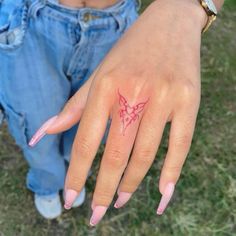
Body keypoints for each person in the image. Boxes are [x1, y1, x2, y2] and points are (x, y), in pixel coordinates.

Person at [0, 0, 224, 225]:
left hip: (117, 28)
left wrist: (185, 8)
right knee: (36, 130)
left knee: (91, 127)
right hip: (26, 23)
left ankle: (73, 172)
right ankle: (46, 183)